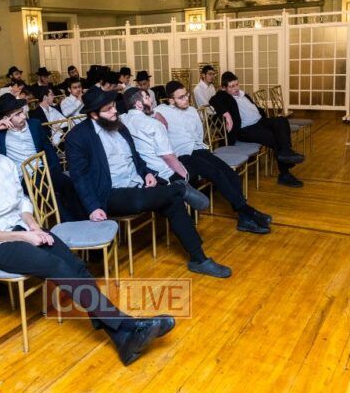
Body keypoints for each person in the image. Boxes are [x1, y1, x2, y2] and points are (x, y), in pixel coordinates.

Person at [0, 113, 174, 365]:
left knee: (75, 264)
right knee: (55, 266)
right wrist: (25, 236)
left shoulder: (4, 163)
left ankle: (123, 339)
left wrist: (34, 226)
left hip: (23, 228)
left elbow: (21, 202)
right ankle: (127, 326)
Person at [65, 87, 231, 278]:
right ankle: (178, 188)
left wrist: (147, 174)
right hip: (110, 192)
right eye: (108, 109)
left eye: (113, 106)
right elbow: (79, 177)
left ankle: (199, 259)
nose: (115, 111)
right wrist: (93, 207)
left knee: (173, 202)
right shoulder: (78, 137)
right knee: (141, 201)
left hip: (138, 184)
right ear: (94, 115)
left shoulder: (119, 127)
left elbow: (136, 157)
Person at [155, 81, 272, 233]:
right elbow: (143, 117)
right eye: (181, 97)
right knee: (216, 173)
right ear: (171, 100)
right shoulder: (161, 110)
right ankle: (249, 212)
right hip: (182, 155)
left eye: (187, 95)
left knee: (231, 174)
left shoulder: (192, 111)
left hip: (198, 149)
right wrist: (157, 117)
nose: (186, 99)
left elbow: (199, 134)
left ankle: (244, 217)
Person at [0, 94, 85, 220]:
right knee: (46, 191)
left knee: (68, 183)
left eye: (22, 111)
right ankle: (68, 224)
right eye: (17, 114)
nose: (23, 116)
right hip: (23, 178)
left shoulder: (34, 125)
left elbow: (49, 149)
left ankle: (83, 219)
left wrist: (55, 170)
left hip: (43, 170)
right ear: (6, 119)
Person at [120, 87, 209, 213]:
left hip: (144, 172)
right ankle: (192, 211)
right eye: (147, 98)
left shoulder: (122, 120)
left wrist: (154, 113)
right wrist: (184, 174)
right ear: (139, 104)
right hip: (163, 173)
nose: (151, 100)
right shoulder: (154, 125)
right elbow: (167, 156)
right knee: (192, 171)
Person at [210, 72, 304, 188]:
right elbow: (213, 100)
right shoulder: (223, 96)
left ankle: (286, 152)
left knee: (282, 121)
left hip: (260, 122)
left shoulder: (243, 94)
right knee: (275, 137)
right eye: (232, 86)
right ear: (224, 88)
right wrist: (226, 114)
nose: (236, 88)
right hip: (246, 129)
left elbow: (255, 108)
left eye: (237, 84)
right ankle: (285, 174)